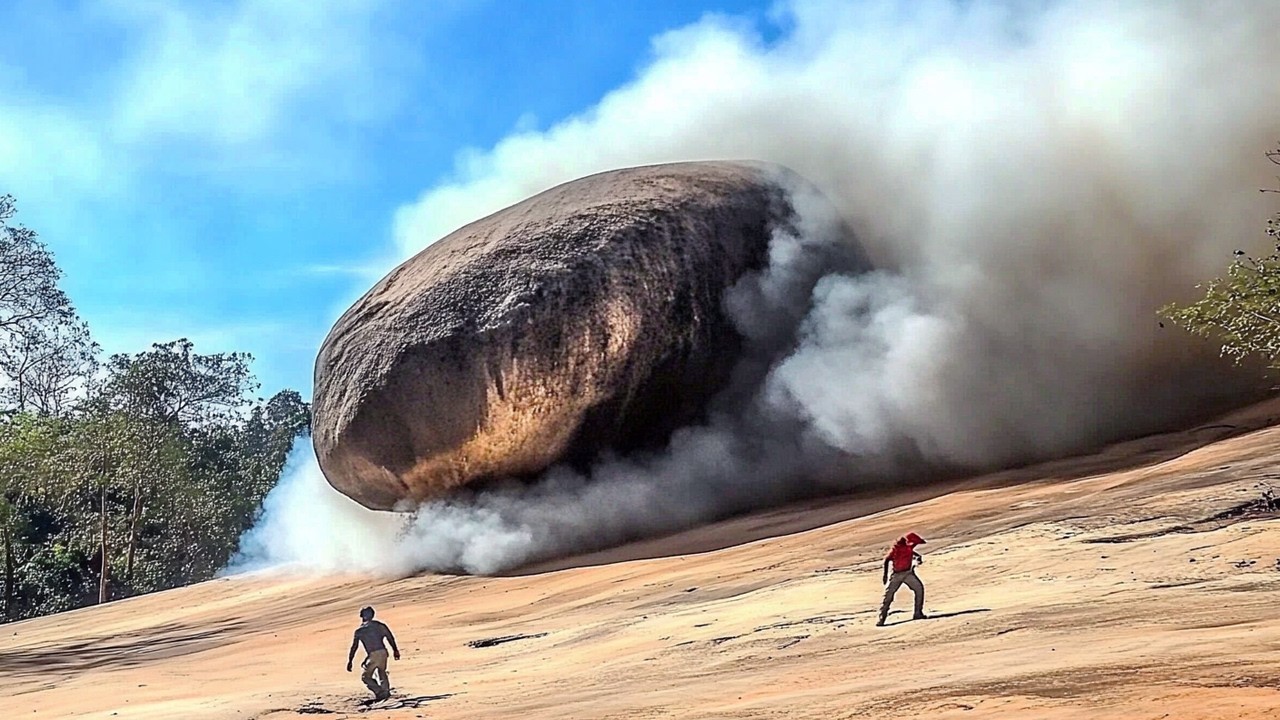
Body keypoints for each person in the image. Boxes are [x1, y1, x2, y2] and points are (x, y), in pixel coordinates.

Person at [346, 606, 401, 700]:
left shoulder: (360, 630)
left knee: (366, 677)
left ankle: (380, 692)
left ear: (363, 616)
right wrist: (395, 650)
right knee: (381, 671)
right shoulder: (380, 625)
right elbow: (390, 637)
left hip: (373, 654)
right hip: (383, 652)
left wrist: (350, 661)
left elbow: (354, 647)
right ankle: (385, 691)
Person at [876, 532, 927, 626]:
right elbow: (887, 560)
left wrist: (917, 557)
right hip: (896, 575)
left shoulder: (909, 547)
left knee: (919, 589)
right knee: (888, 596)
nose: (914, 545)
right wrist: (885, 575)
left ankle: (918, 613)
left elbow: (911, 552)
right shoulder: (897, 549)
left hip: (908, 573)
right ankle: (881, 619)